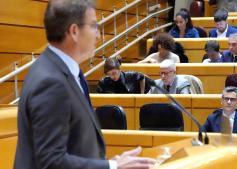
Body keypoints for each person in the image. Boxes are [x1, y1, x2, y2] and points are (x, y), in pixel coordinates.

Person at [13, 1, 156, 169]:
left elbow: (74, 145)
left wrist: (109, 163)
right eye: (94, 26)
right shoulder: (50, 82)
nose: (98, 35)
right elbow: (51, 162)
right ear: (74, 31)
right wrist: (111, 166)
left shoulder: (62, 70)